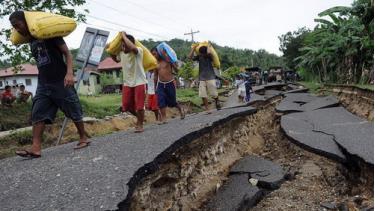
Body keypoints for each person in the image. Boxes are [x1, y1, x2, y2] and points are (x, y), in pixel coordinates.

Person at [9, 11, 90, 158]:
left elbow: (67, 53)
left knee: (73, 108)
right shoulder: (31, 40)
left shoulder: (49, 33)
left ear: (26, 22)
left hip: (61, 79)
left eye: (18, 25)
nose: (17, 29)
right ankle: (36, 148)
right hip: (43, 83)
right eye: (14, 27)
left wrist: (69, 73)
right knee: (38, 113)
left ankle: (83, 137)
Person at [110, 32, 146, 132]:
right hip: (127, 83)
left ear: (130, 44)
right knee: (126, 106)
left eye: (125, 45)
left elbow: (133, 48)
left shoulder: (139, 51)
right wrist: (109, 49)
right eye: (122, 46)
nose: (123, 48)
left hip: (139, 82)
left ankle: (140, 124)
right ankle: (141, 118)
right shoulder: (122, 53)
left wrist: (124, 37)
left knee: (139, 106)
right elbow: (115, 59)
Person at [151, 47, 185, 124]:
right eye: (152, 55)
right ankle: (164, 118)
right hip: (160, 84)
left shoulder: (167, 61)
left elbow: (177, 70)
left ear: (159, 53)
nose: (154, 56)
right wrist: (155, 87)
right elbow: (155, 76)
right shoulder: (156, 64)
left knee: (172, 102)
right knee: (161, 101)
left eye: (155, 54)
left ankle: (180, 109)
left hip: (170, 83)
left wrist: (172, 62)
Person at [189, 44, 221, 113]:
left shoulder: (209, 56)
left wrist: (208, 47)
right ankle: (207, 109)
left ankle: (217, 101)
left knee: (214, 93)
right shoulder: (199, 57)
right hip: (202, 78)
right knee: (203, 94)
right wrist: (193, 49)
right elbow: (189, 57)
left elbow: (209, 53)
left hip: (210, 77)